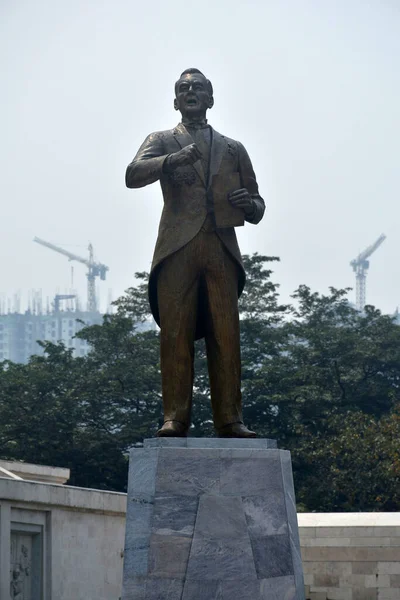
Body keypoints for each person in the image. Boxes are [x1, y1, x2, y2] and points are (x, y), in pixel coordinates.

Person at [125, 68, 265, 437]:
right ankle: (175, 416)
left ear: (210, 99)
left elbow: (258, 204)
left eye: (198, 88)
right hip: (177, 247)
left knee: (226, 334)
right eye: (184, 88)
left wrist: (248, 204)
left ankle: (230, 419)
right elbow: (133, 174)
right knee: (175, 333)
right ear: (175, 101)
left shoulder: (233, 148)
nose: (191, 92)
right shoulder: (162, 140)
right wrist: (171, 161)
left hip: (220, 245)